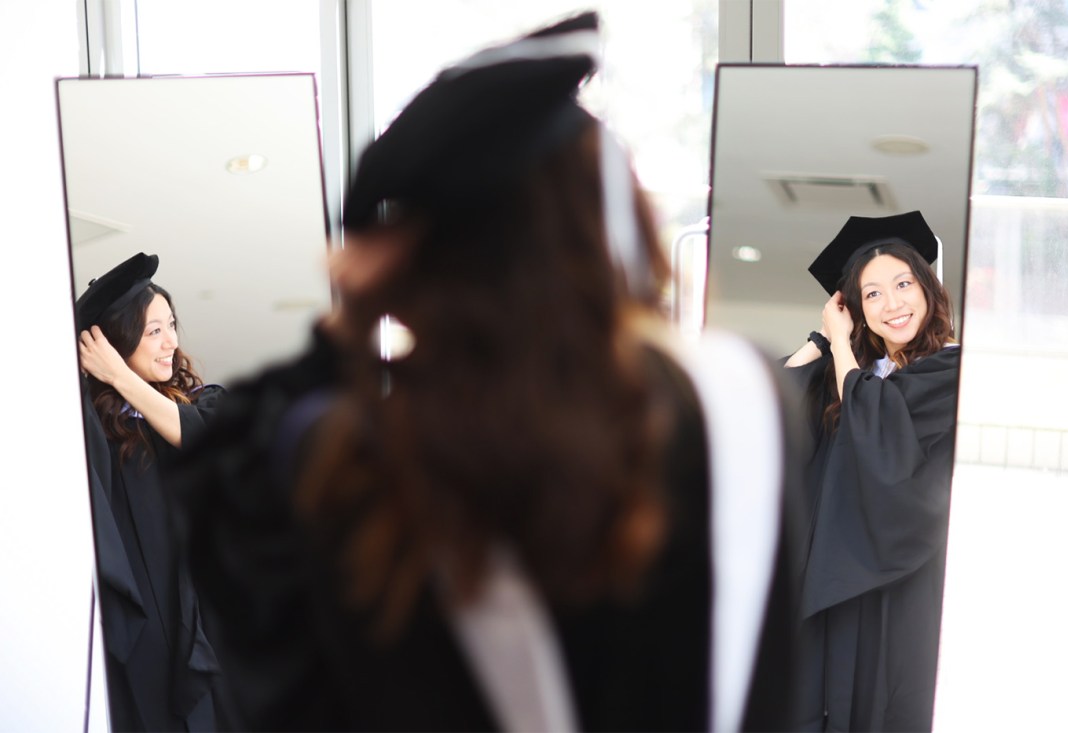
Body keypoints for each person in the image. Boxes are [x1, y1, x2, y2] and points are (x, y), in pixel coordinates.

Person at [169, 11, 801, 732]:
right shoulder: (744, 399)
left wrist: (346, 323)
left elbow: (232, 513)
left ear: (421, 269)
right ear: (611, 222)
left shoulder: (371, 466)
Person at [782, 211, 961, 731]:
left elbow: (880, 430)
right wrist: (823, 337)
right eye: (872, 294)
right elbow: (779, 410)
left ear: (928, 289)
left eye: (903, 283)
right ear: (855, 309)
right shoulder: (847, 378)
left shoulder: (950, 370)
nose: (893, 303)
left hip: (899, 581)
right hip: (833, 582)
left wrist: (843, 351)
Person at [75, 252, 231, 731]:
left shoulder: (204, 404)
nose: (171, 342)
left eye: (171, 325)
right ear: (116, 342)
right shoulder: (93, 429)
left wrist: (120, 375)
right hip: (141, 639)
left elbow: (197, 434)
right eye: (154, 331)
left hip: (206, 630)